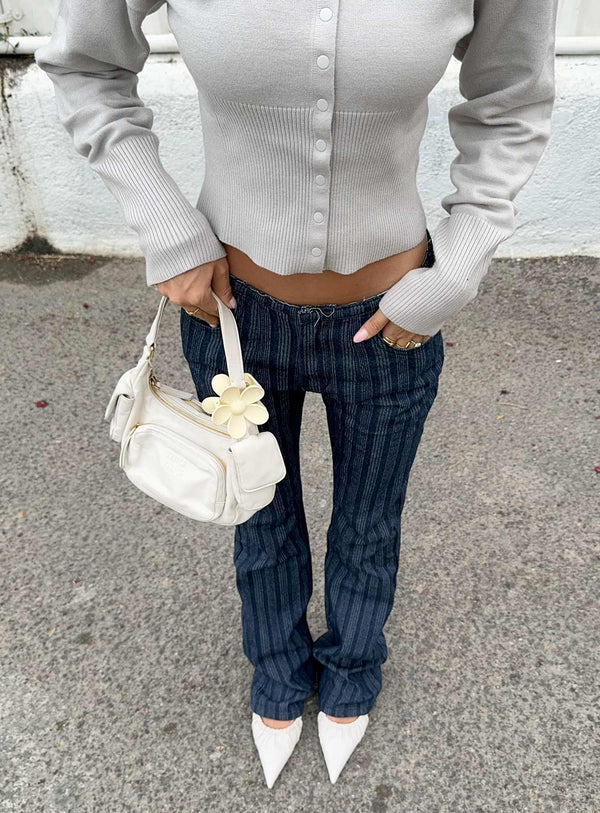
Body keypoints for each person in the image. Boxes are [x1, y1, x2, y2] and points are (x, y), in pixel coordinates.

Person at [35, 0, 559, 788]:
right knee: (259, 517)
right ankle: (276, 668)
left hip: (394, 320)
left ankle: (354, 665)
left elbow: (512, 100)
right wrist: (166, 224)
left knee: (370, 521)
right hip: (233, 317)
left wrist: (457, 268)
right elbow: (86, 64)